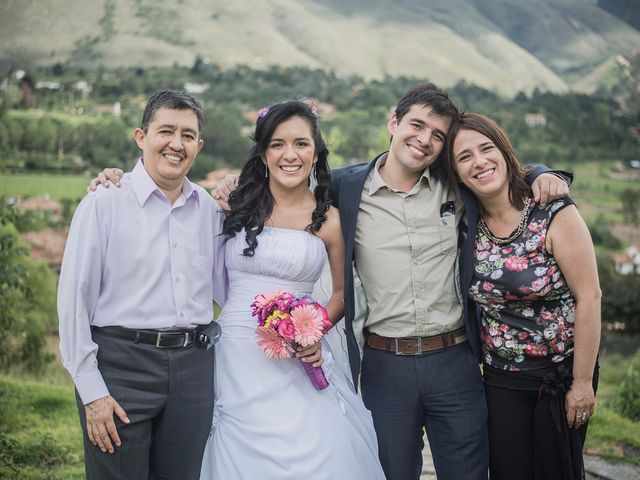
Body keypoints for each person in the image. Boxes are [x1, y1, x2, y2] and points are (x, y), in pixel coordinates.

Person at [213, 83, 571, 480]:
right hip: (386, 365)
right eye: (416, 125)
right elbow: (284, 185)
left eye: (437, 135)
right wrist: (234, 182)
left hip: (454, 359)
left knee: (469, 473)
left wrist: (544, 174)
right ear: (393, 122)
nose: (424, 140)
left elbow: (495, 171)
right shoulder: (346, 190)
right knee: (390, 472)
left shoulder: (456, 186)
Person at [90, 100, 385, 479]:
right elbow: (172, 207)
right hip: (232, 355)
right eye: (277, 144)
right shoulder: (233, 206)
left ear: (316, 152)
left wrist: (314, 333)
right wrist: (118, 178)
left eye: (301, 144)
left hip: (298, 357)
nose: (289, 154)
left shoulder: (328, 220)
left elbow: (342, 295)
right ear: (263, 154)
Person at [58, 89, 227, 480]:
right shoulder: (103, 204)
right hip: (120, 366)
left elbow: (229, 291)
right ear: (141, 137)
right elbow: (72, 303)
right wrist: (92, 391)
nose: (176, 143)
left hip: (193, 370)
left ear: (198, 146)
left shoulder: (209, 211)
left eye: (187, 135)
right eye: (165, 131)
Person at [443, 112, 600, 480]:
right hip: (499, 377)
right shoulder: (466, 222)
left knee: (554, 472)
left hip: (558, 376)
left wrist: (581, 383)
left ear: (504, 150)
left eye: (486, 148)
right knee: (508, 472)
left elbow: (590, 297)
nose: (479, 162)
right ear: (455, 171)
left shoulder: (553, 211)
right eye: (464, 157)